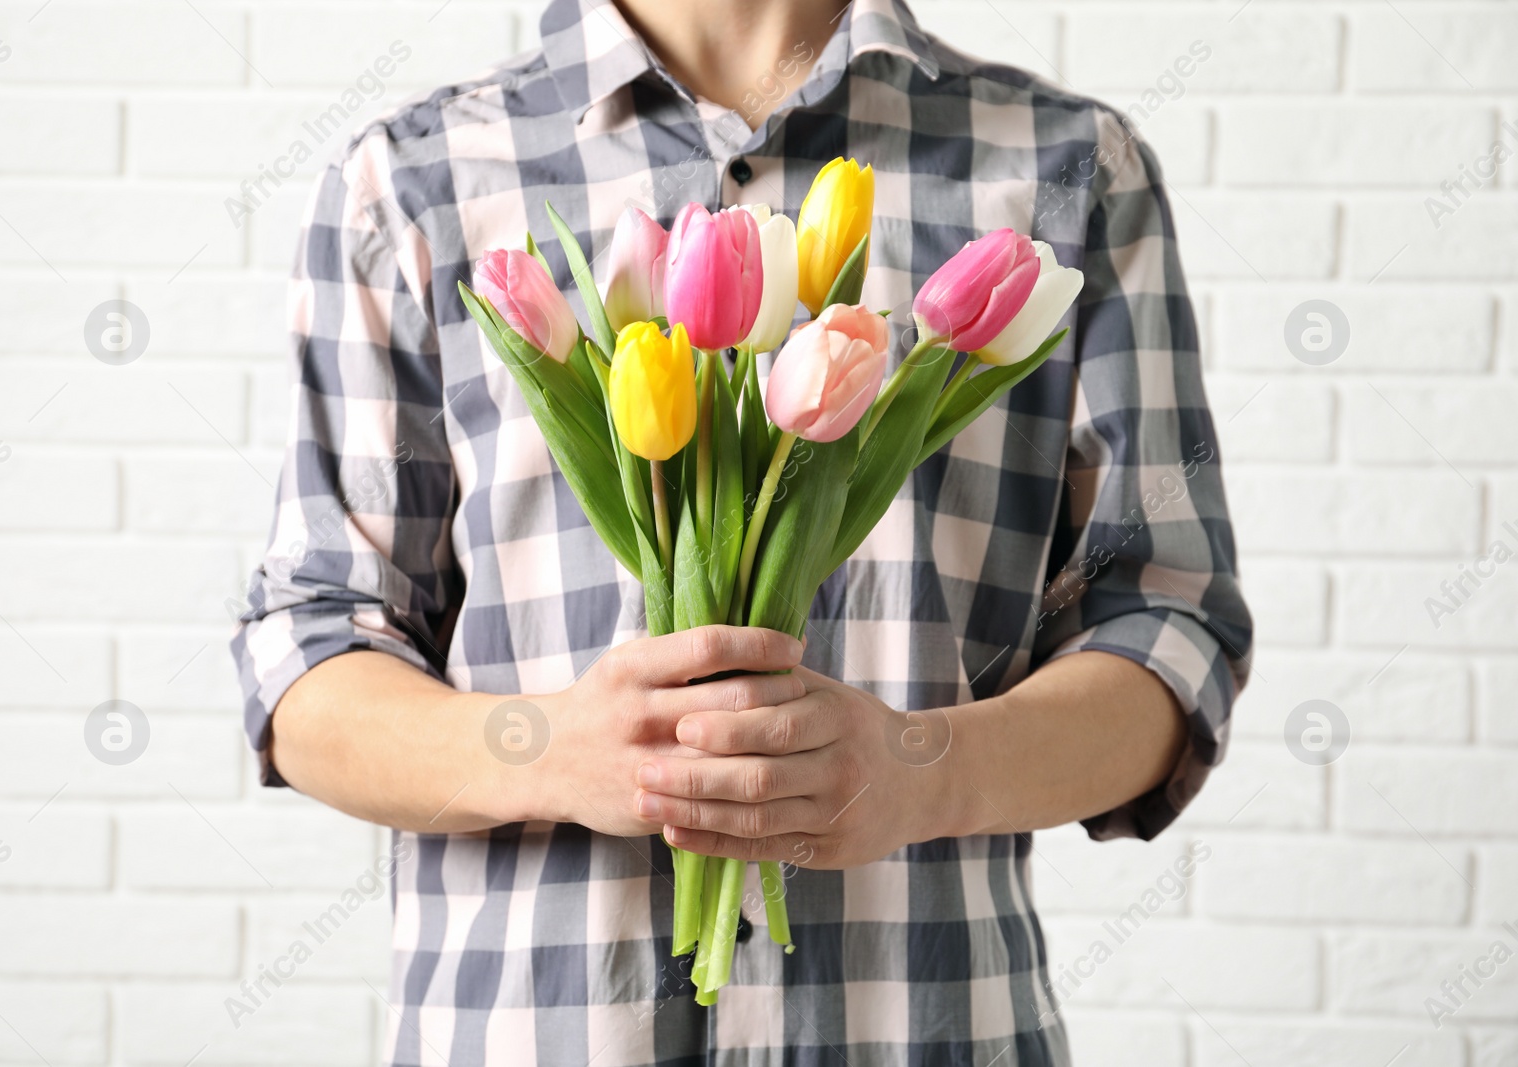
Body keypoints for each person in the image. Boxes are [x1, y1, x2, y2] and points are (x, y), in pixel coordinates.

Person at [230, 0, 1253, 1062]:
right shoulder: (416, 179)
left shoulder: (1067, 167)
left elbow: (1166, 625)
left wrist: (920, 769)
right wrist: (547, 750)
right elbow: (309, 652)